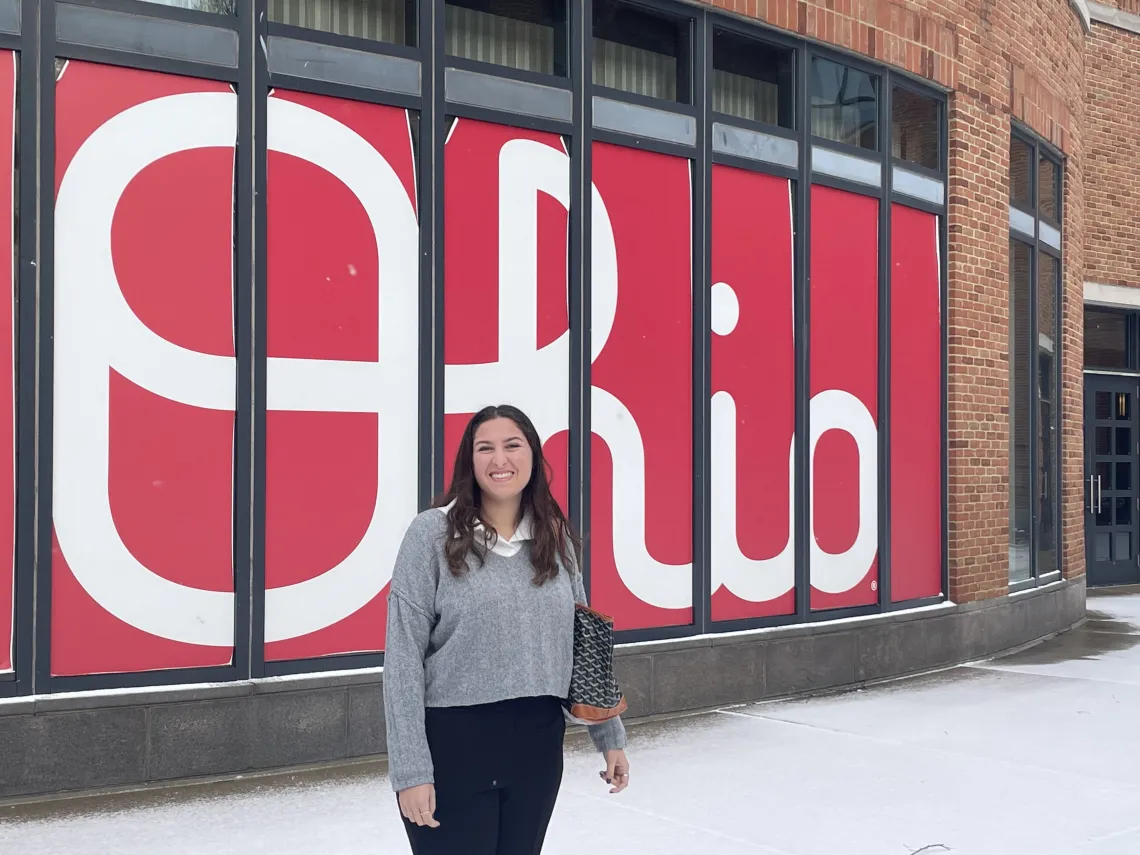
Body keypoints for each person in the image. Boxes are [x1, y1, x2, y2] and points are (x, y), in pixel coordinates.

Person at [384, 404, 631, 855]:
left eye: (512, 446)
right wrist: (410, 771)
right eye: (486, 448)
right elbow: (401, 660)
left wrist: (610, 738)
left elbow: (585, 642)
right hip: (455, 746)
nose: (500, 460)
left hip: (536, 744)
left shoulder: (553, 536)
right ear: (469, 461)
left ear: (533, 457)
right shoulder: (430, 535)